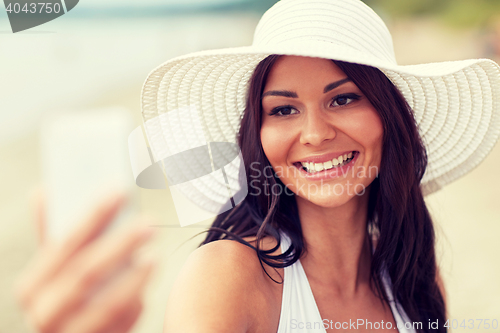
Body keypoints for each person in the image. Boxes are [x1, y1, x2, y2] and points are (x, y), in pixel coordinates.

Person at [16, 0, 500, 332]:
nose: (314, 134)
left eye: (345, 98)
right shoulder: (230, 275)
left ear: (389, 119)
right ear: (258, 136)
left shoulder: (415, 277)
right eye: (283, 109)